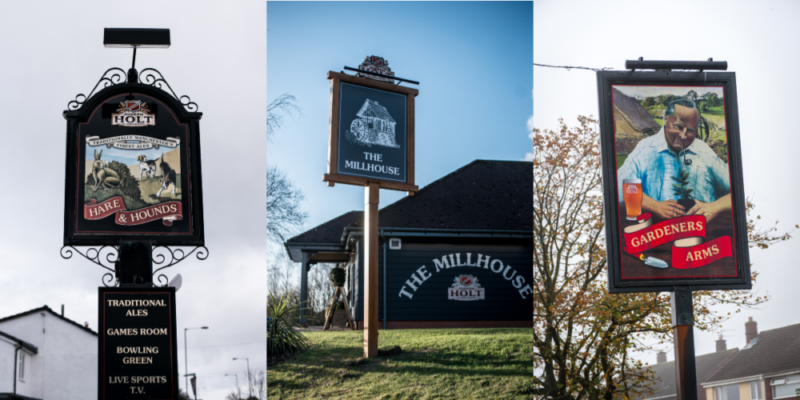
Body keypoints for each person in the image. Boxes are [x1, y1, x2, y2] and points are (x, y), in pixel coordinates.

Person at [617, 98, 731, 222]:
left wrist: (714, 207)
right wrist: (655, 206)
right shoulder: (645, 148)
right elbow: (619, 186)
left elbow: (736, 189)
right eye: (678, 127)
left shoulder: (703, 150)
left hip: (703, 232)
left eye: (690, 130)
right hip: (656, 233)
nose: (683, 135)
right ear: (665, 119)